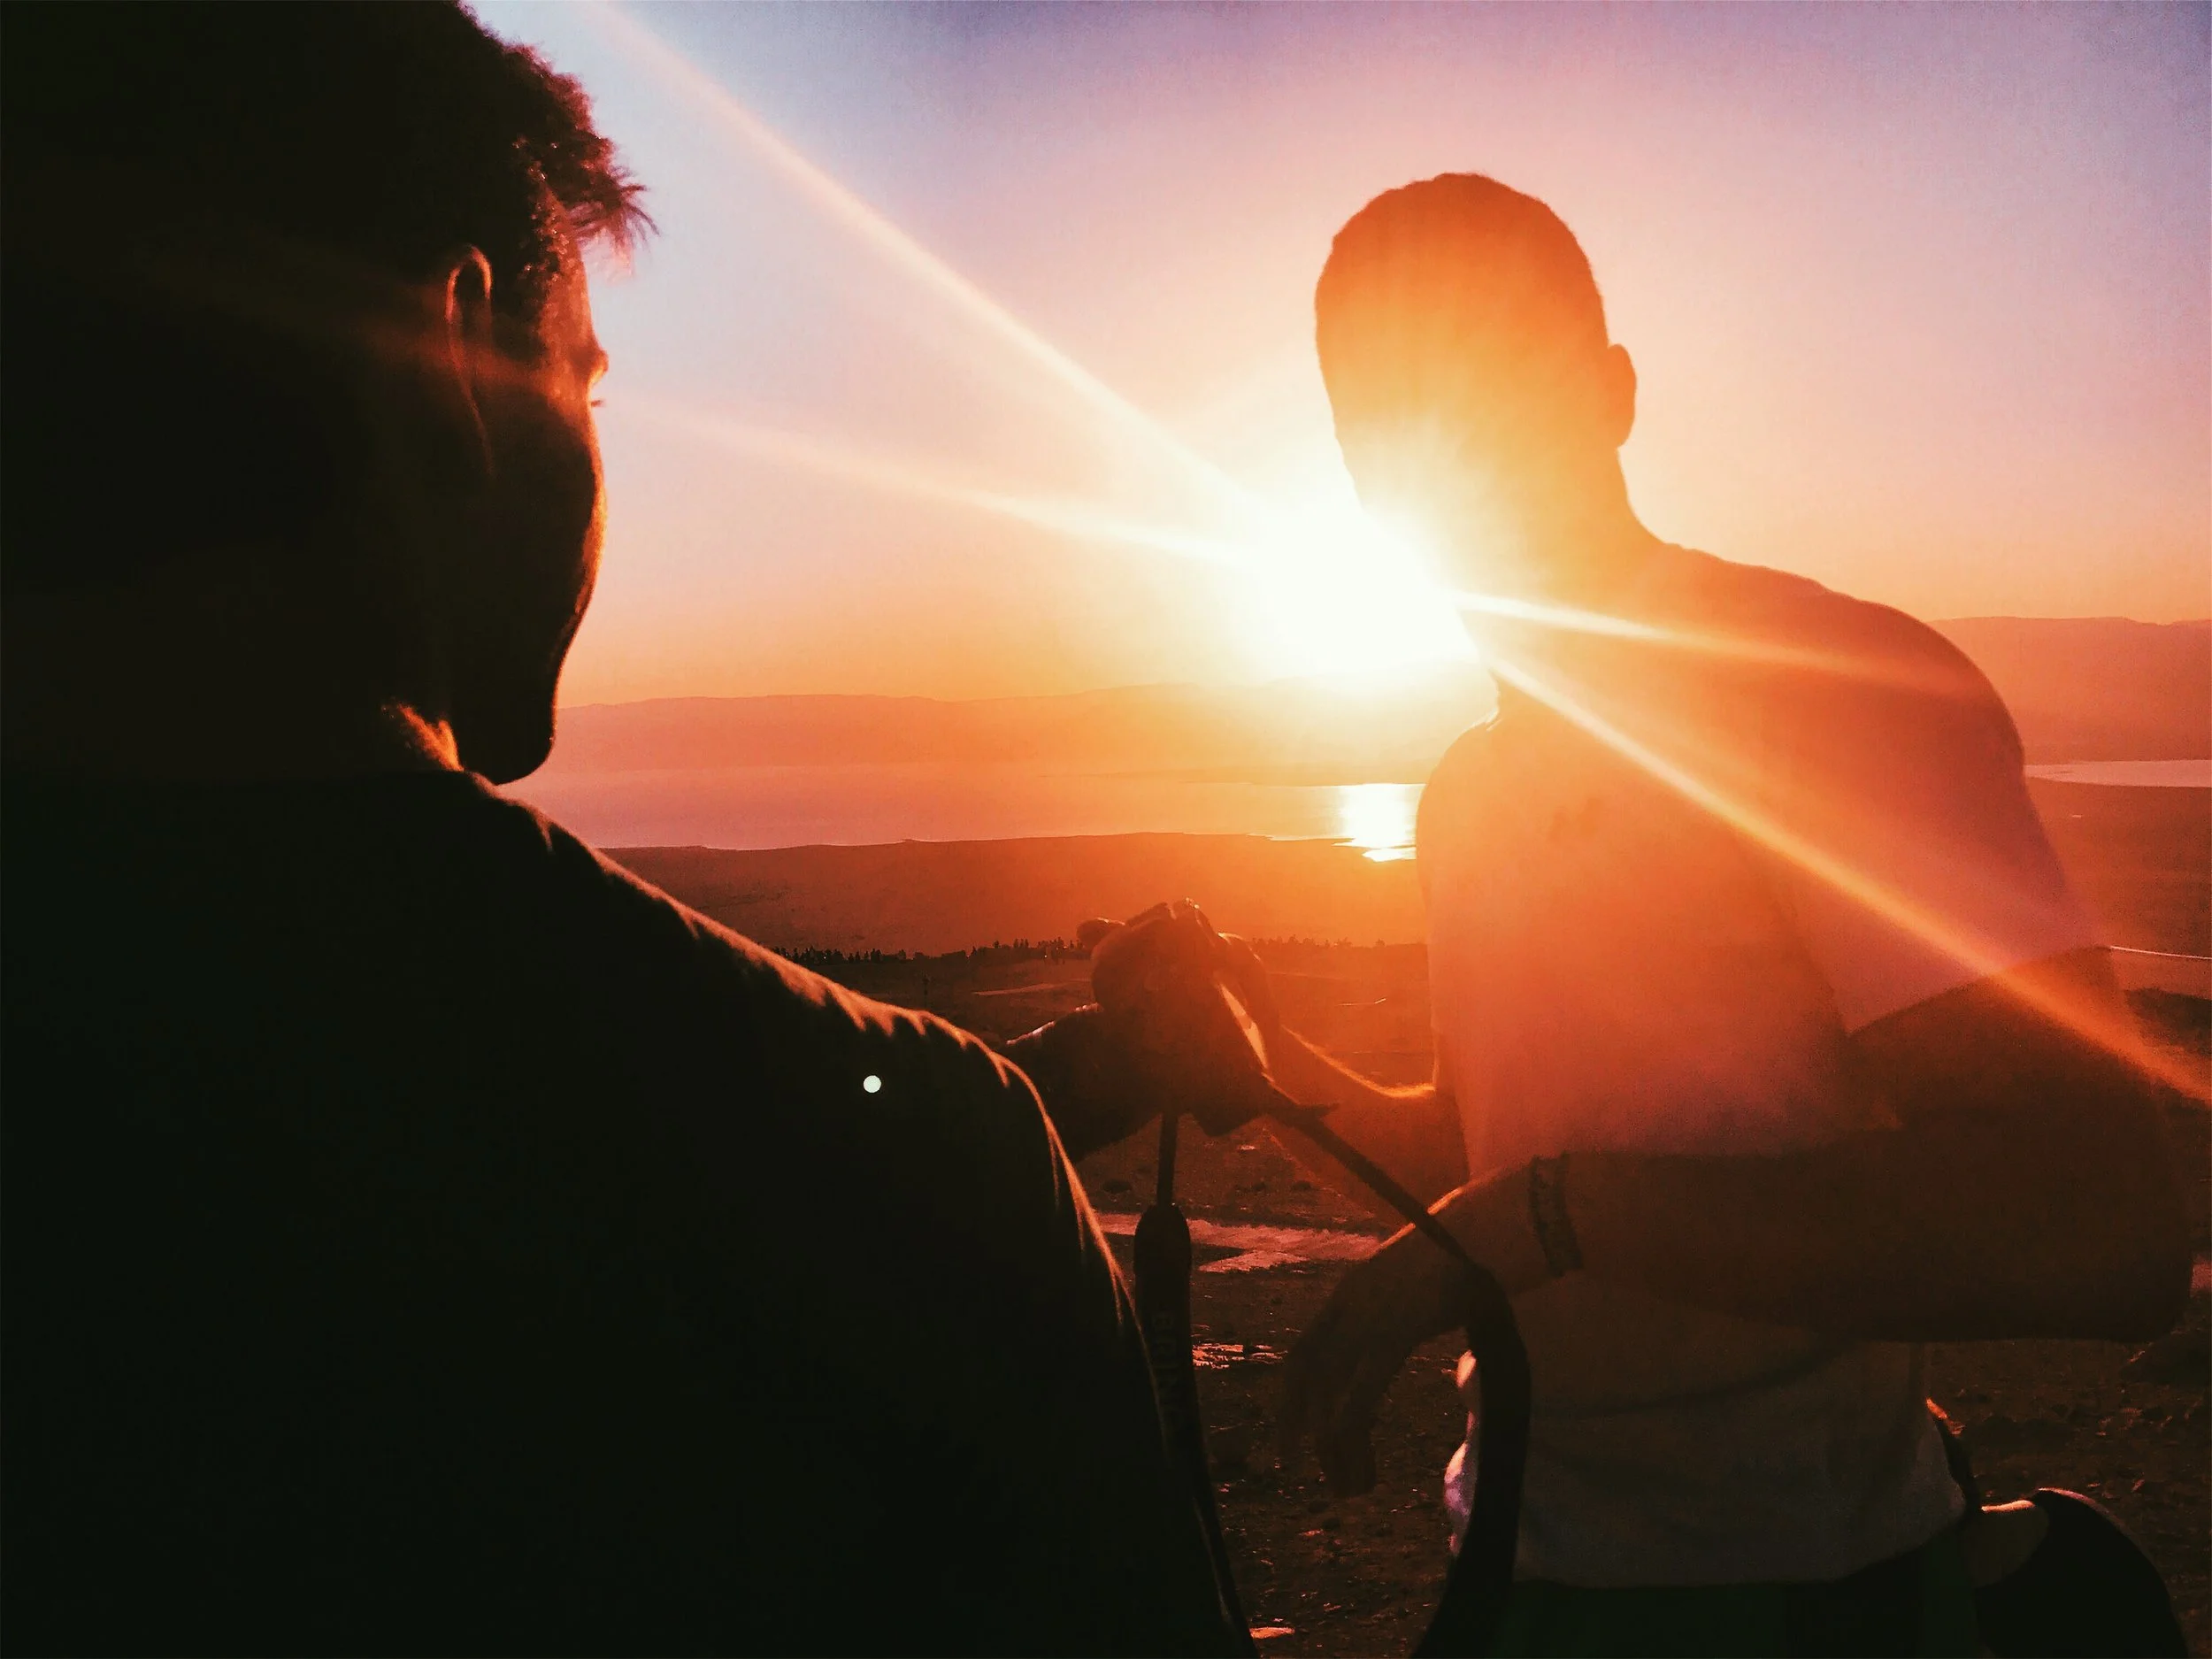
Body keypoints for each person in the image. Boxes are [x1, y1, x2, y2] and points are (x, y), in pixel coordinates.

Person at [0, 8, 1241, 1653]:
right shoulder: (928, 1179)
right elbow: (658, 1099)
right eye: (584, 381)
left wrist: (1085, 1068)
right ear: (453, 358)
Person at [1148, 175, 2193, 1653]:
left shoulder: (1828, 694)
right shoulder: (1471, 790)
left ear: (1615, 393)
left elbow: (2099, 1218)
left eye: (1493, 379)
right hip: (1520, 1563)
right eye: (1385, 416)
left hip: (1811, 1591)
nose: (1441, 448)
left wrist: (1561, 1216)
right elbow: (1487, 1149)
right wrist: (1262, 1068)